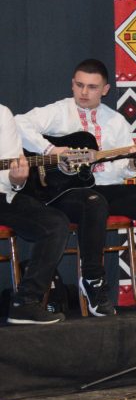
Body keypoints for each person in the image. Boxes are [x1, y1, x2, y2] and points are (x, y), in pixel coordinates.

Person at [15, 59, 136, 314]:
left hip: (107, 188)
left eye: (92, 87)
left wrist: (133, 164)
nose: (84, 92)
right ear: (72, 84)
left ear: (105, 90)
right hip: (65, 192)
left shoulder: (116, 121)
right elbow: (18, 123)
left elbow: (123, 169)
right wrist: (51, 150)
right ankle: (93, 279)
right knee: (94, 203)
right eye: (79, 85)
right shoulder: (59, 111)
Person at [0, 104, 70, 324]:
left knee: (55, 223)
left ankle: (25, 302)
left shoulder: (2, 114)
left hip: (1, 196)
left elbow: (10, 173)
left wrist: (16, 180)